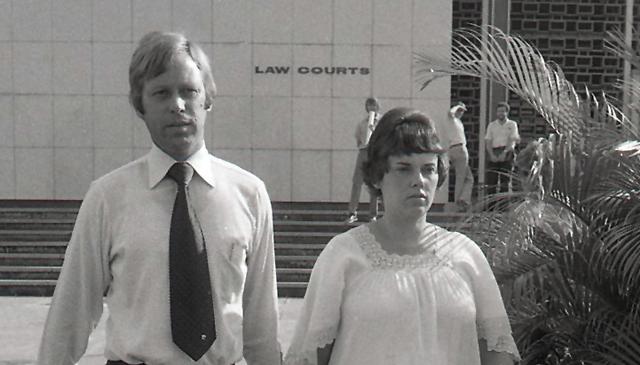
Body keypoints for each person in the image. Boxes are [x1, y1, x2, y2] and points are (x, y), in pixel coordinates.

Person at [37, 31, 282, 365]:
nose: (177, 105)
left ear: (207, 98)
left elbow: (261, 325)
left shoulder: (249, 194)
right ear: (141, 105)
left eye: (188, 91)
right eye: (161, 93)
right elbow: (71, 314)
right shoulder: (107, 198)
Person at [284, 107, 520, 365]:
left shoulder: (467, 255)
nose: (418, 181)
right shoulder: (344, 254)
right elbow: (309, 357)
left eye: (428, 169)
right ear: (377, 176)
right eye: (404, 168)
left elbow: (497, 352)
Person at [344, 97, 381, 224]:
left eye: (374, 105)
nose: (371, 108)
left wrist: (374, 131)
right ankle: (352, 212)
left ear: (377, 107)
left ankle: (373, 214)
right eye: (369, 105)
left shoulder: (381, 123)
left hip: (375, 153)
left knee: (374, 183)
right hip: (364, 152)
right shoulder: (362, 123)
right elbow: (358, 140)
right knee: (357, 183)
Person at [484, 102, 520, 197]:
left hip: (507, 152)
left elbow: (512, 140)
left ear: (507, 112)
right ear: (496, 112)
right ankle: (490, 208)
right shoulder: (491, 125)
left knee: (505, 181)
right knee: (491, 181)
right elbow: (488, 141)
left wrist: (505, 152)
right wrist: (491, 155)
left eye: (503, 111)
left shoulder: (512, 124)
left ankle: (503, 208)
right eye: (499, 111)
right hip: (494, 151)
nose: (501, 113)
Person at [445, 101, 474, 211]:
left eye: (463, 111)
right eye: (460, 111)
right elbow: (450, 113)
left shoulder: (457, 122)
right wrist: (457, 107)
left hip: (454, 149)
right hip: (459, 148)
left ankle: (463, 199)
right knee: (461, 177)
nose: (461, 113)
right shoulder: (452, 120)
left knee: (469, 178)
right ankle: (459, 202)